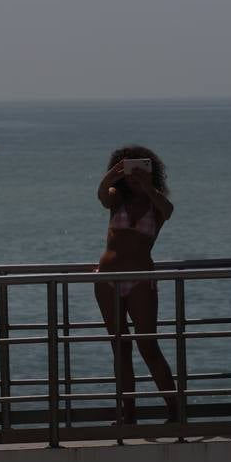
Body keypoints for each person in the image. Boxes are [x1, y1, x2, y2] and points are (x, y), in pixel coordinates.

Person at [94, 145, 180, 425]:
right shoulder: (116, 197)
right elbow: (101, 196)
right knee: (120, 347)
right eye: (127, 170)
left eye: (139, 169)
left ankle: (175, 410)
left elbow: (168, 210)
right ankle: (128, 414)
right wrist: (110, 176)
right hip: (107, 279)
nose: (132, 176)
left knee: (148, 345)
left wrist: (148, 188)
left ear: (151, 171)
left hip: (141, 279)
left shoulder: (156, 204)